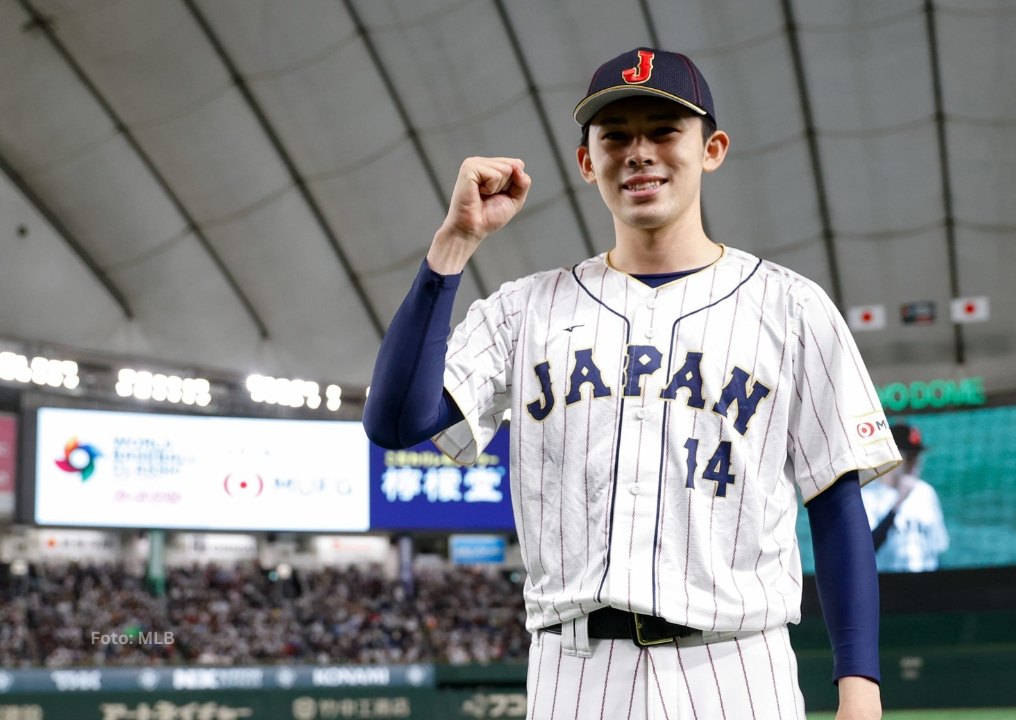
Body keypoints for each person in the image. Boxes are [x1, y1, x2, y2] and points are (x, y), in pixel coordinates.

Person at [364, 47, 901, 719]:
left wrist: (861, 686)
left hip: (737, 665)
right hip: (576, 669)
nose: (639, 151)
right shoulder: (523, 310)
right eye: (615, 136)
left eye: (664, 130)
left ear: (712, 149)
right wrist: (454, 246)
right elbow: (394, 423)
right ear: (588, 162)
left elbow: (834, 499)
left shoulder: (791, 308)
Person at [863, 425, 949, 573]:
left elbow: (938, 548)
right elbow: (865, 552)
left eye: (917, 456)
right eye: (909, 457)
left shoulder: (926, 492)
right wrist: (898, 503)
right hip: (887, 586)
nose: (915, 463)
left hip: (926, 587)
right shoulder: (866, 497)